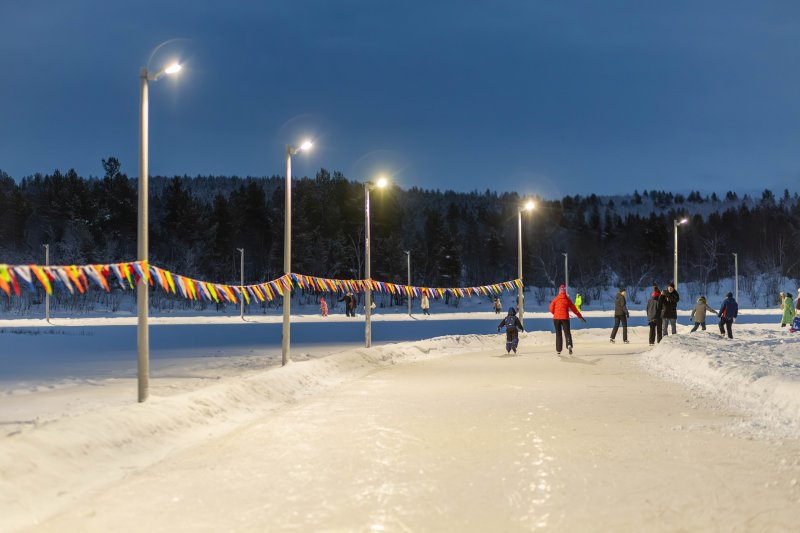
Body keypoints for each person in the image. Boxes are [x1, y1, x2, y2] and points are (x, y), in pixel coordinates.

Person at [549, 284, 586, 355]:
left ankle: (558, 350)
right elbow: (574, 309)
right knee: (567, 332)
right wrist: (580, 316)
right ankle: (569, 345)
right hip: (565, 318)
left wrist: (555, 313)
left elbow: (551, 309)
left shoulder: (555, 299)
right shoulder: (567, 300)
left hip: (556, 319)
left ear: (559, 292)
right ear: (565, 292)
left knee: (558, 334)